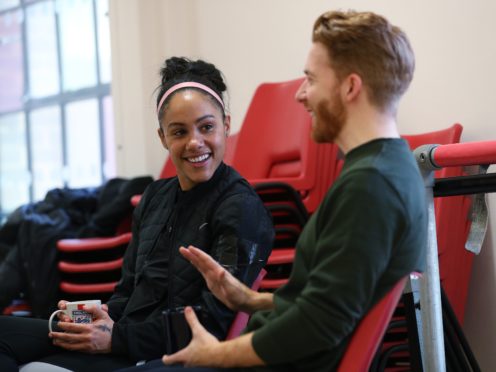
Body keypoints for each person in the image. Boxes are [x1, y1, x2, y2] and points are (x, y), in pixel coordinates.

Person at [130, 10, 428, 372]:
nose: (301, 95)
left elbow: (318, 324)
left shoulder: (372, 187)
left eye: (311, 79)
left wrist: (214, 356)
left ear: (350, 87)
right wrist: (251, 300)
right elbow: (329, 300)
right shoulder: (384, 168)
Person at [0, 57, 274, 371]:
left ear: (226, 125)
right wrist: (98, 316)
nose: (195, 142)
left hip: (165, 353)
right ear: (163, 137)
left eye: (207, 127)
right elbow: (127, 293)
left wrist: (115, 339)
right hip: (126, 339)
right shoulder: (155, 196)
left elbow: (212, 325)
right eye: (179, 131)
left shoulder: (241, 207)